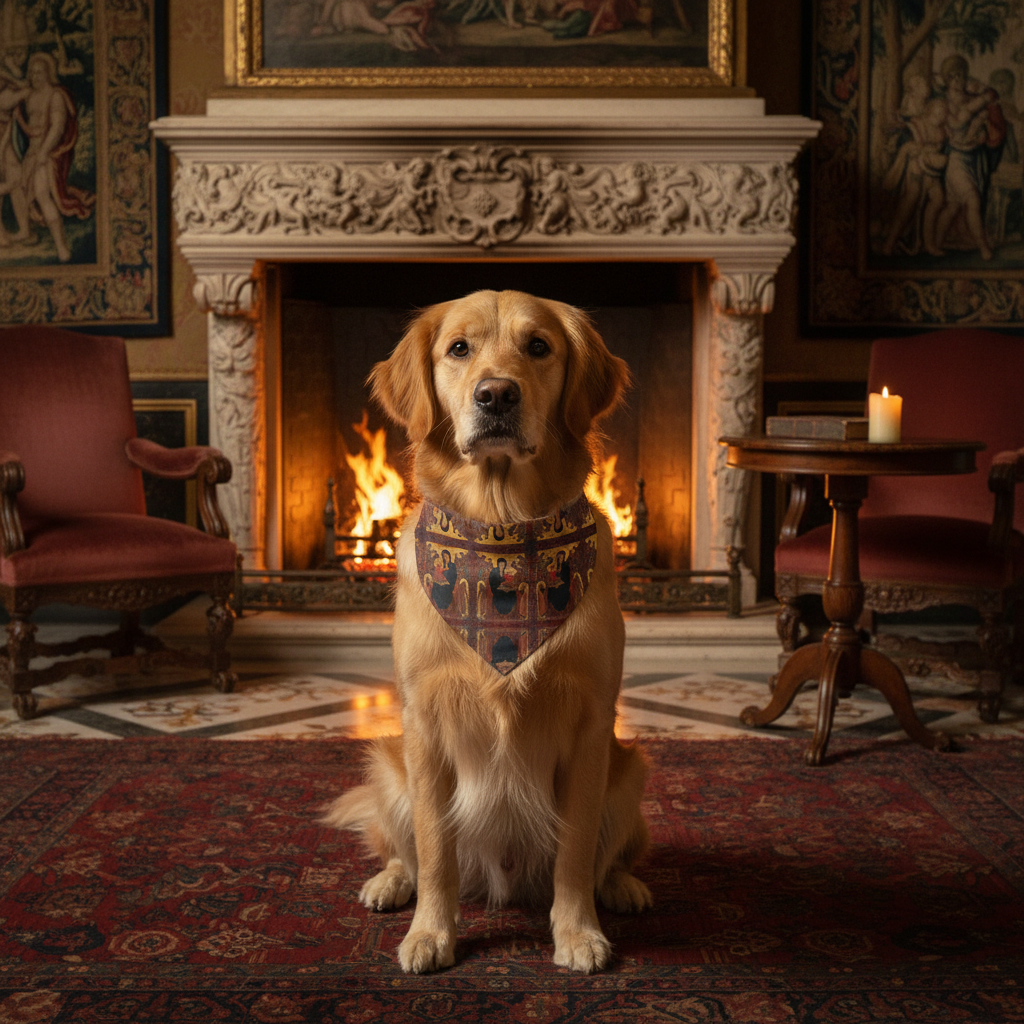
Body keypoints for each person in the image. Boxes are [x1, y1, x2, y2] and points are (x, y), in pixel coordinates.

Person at [11, 51, 94, 262]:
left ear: (49, 73)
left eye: (40, 72)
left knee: (41, 194)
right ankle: (27, 234)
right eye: (33, 72)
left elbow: (57, 128)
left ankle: (61, 247)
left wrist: (44, 152)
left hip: (49, 153)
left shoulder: (56, 95)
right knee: (21, 190)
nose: (36, 76)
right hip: (32, 152)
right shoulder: (29, 96)